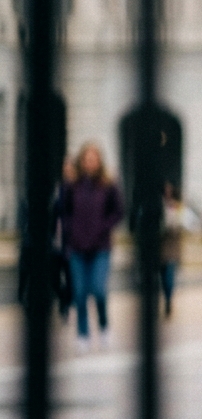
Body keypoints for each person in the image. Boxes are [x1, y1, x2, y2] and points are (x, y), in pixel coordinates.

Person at [62, 143, 125, 353]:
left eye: (93, 158)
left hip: (100, 247)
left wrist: (103, 227)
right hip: (77, 247)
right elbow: (64, 211)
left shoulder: (108, 185)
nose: (90, 162)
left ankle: (104, 326)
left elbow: (118, 212)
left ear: (99, 161)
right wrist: (72, 230)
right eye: (86, 158)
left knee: (98, 289)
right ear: (81, 161)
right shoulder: (72, 185)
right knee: (79, 293)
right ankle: (83, 334)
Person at [160, 182, 191, 318]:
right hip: (160, 248)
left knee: (169, 276)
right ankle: (166, 299)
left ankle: (168, 300)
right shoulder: (157, 205)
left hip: (172, 247)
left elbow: (186, 224)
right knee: (162, 277)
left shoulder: (178, 206)